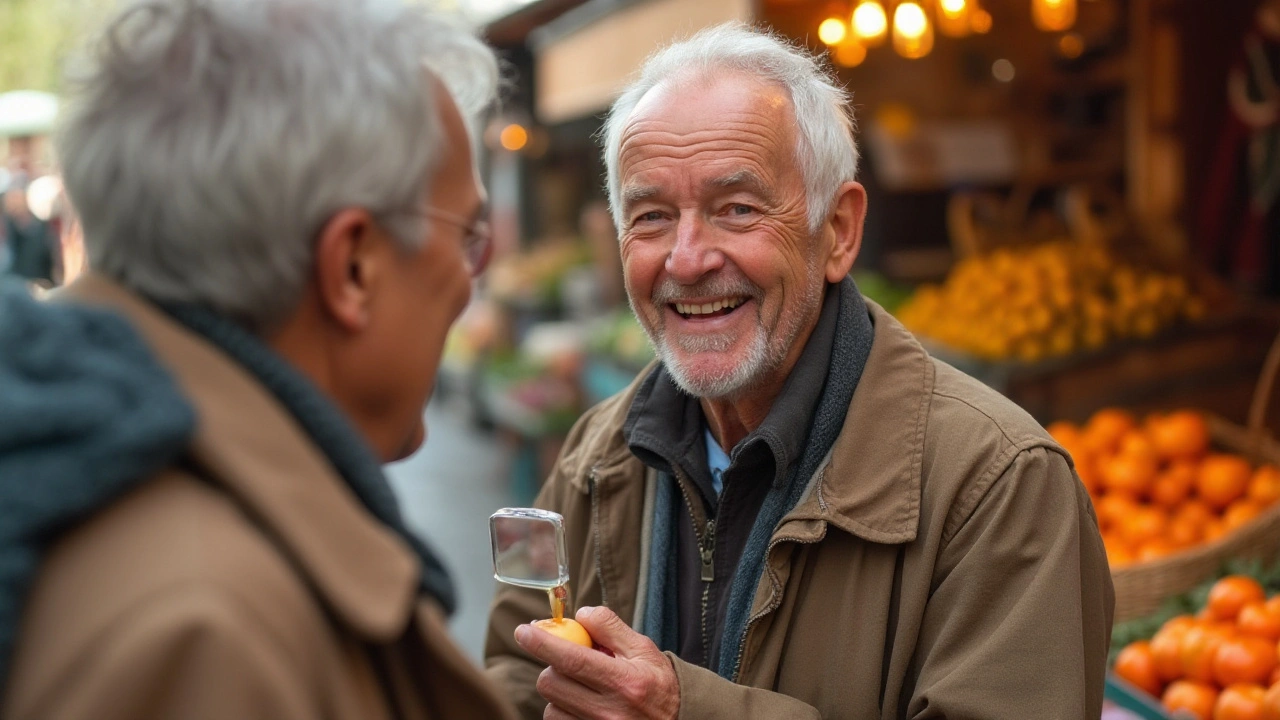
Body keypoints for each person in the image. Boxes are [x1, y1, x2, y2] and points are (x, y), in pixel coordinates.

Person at [485, 23, 1113, 720]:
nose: (687, 260)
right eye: (653, 216)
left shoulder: (997, 487)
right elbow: (518, 676)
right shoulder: (595, 462)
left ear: (838, 231)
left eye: (738, 209)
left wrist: (682, 711)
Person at [0, 0, 516, 718]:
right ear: (353, 267)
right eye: (467, 236)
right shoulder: (211, 630)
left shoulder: (80, 469)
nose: (472, 279)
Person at [1, 181, 56, 285]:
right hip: (15, 285)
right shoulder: (8, 228)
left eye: (16, 198)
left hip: (40, 283)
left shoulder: (42, 226)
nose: (13, 204)